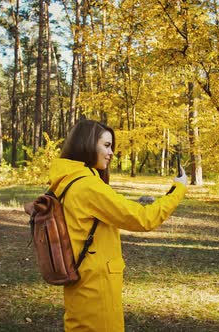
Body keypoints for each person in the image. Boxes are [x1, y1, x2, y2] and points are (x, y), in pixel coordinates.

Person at [47, 119, 187, 331]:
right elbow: (144, 218)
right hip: (96, 290)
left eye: (111, 146)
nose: (111, 152)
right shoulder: (88, 186)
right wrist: (178, 190)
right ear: (86, 145)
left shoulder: (67, 180)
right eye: (106, 145)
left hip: (82, 286)